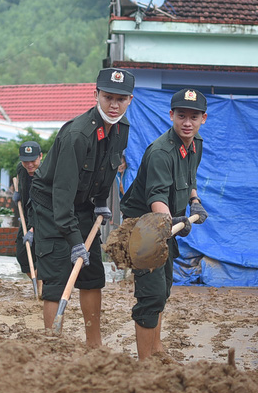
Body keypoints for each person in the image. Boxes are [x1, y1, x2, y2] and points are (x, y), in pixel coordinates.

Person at [29, 68, 133, 347]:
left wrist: (100, 203)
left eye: (120, 99)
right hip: (52, 206)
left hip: (84, 204)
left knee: (92, 275)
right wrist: (74, 241)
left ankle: (93, 344)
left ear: (129, 100)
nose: (114, 105)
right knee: (56, 278)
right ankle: (53, 344)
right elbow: (61, 196)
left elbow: (109, 169)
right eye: (108, 97)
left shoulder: (122, 129)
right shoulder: (77, 135)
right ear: (96, 94)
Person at [120, 88, 209, 359]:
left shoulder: (196, 145)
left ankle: (156, 349)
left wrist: (194, 201)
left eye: (194, 117)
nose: (187, 122)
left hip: (166, 223)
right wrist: (172, 220)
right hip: (145, 227)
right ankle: (145, 363)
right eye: (181, 115)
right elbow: (157, 197)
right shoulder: (161, 152)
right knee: (151, 293)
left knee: (165, 287)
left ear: (203, 119)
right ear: (171, 115)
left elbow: (189, 178)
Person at [13, 141, 43, 277]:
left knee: (42, 255)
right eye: (26, 161)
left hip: (44, 219)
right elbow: (20, 182)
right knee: (23, 255)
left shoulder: (47, 174)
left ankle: (44, 286)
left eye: (33, 161)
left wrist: (33, 228)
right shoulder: (21, 169)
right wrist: (18, 192)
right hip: (26, 218)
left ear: (40, 156)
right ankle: (37, 282)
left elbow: (46, 206)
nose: (29, 165)